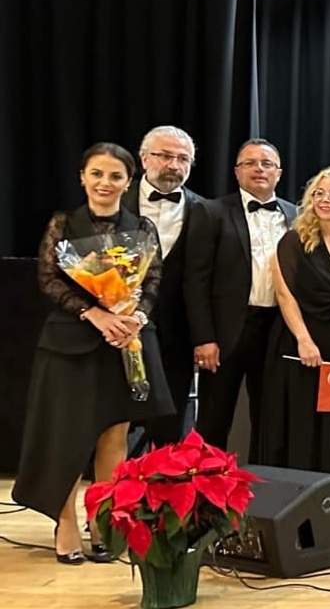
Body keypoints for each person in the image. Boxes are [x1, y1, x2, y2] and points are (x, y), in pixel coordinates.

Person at [14, 143, 174, 564]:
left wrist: (136, 317)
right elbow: (49, 279)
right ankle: (65, 521)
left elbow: (153, 280)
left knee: (115, 435)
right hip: (71, 344)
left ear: (128, 181)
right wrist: (95, 315)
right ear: (82, 177)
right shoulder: (64, 224)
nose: (105, 182)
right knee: (68, 437)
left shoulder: (142, 227)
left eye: (115, 176)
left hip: (125, 343)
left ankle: (105, 518)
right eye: (97, 174)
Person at [254, 168, 330, 525]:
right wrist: (304, 341)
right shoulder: (294, 241)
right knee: (304, 428)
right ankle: (301, 514)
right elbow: (285, 296)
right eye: (319, 194)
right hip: (303, 352)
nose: (325, 200)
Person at [186, 139, 298, 452]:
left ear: (279, 172)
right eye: (250, 163)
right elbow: (196, 281)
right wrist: (204, 338)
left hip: (279, 328)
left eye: (266, 163)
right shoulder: (211, 212)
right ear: (237, 172)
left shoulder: (296, 215)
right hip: (227, 330)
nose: (259, 169)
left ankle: (266, 478)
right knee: (214, 416)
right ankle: (209, 480)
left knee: (271, 416)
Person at [124, 126, 204, 452]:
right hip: (121, 327)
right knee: (117, 416)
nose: (173, 165)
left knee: (170, 418)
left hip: (177, 333)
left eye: (183, 158)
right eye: (165, 155)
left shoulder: (204, 210)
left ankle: (162, 477)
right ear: (144, 159)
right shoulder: (116, 202)